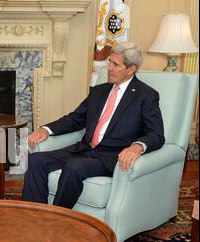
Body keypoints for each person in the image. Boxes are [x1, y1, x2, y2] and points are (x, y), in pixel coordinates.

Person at [22, 42, 165, 207]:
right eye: (109, 62)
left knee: (73, 167)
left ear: (131, 69)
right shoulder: (99, 91)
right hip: (84, 150)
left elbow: (156, 134)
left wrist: (138, 146)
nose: (109, 68)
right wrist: (46, 129)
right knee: (35, 160)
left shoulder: (146, 95)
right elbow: (75, 119)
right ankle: (33, 216)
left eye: (115, 64)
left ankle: (58, 222)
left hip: (111, 156)